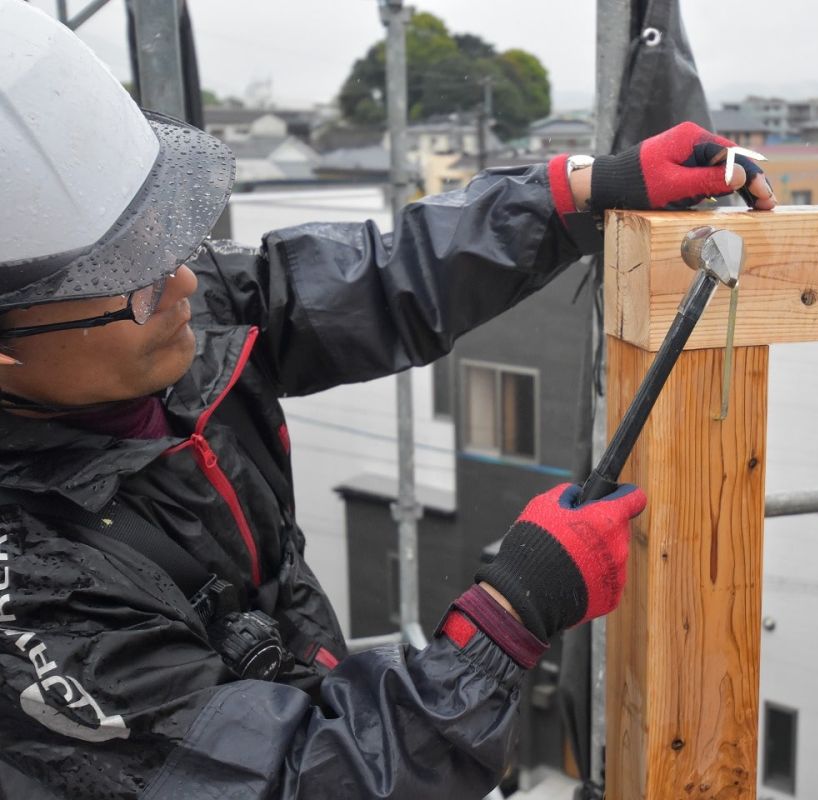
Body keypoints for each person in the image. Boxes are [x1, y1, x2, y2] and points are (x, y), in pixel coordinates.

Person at [0, 4, 776, 799]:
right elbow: (295, 785)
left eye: (167, 244)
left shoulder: (146, 325)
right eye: (131, 280)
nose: (187, 285)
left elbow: (372, 279)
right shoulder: (34, 596)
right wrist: (507, 619)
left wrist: (572, 196)